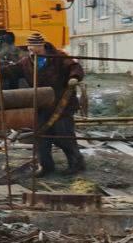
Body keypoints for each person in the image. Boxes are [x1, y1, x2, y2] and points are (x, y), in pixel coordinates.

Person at [18, 31, 86, 175]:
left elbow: (75, 67)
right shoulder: (26, 62)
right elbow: (10, 71)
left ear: (42, 45)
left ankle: (77, 163)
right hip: (42, 105)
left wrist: (74, 77)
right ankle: (46, 166)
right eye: (29, 47)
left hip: (62, 104)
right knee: (41, 137)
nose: (31, 50)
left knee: (63, 135)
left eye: (34, 47)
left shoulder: (58, 57)